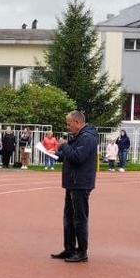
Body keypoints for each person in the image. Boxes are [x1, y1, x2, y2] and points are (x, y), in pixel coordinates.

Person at [50, 111, 98, 263]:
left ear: (77, 123)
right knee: (69, 217)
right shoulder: (79, 137)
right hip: (72, 182)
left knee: (79, 219)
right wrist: (56, 154)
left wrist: (64, 146)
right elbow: (70, 156)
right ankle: (70, 249)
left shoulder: (87, 138)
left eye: (69, 124)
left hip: (81, 183)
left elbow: (78, 157)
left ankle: (82, 252)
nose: (68, 127)